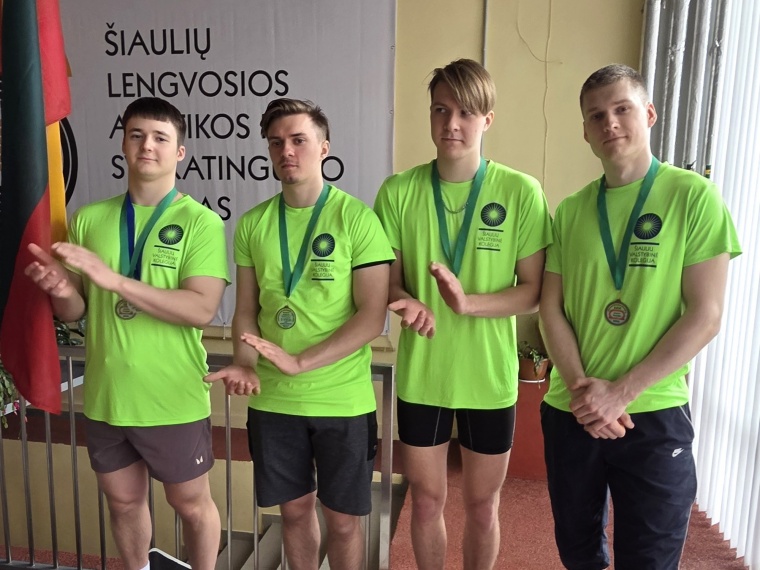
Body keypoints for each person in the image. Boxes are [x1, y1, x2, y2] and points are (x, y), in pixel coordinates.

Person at [540, 63, 741, 570]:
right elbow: (551, 308)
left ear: (648, 114)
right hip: (572, 409)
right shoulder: (571, 211)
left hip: (651, 411)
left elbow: (706, 314)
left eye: (622, 109)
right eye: (596, 115)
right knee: (577, 553)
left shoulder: (693, 196)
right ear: (585, 132)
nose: (610, 123)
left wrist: (619, 393)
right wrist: (586, 392)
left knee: (649, 560)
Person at [24, 97, 228, 570]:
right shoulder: (90, 219)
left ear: (180, 152)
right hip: (108, 395)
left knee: (191, 505)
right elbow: (77, 311)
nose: (147, 146)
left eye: (160, 138)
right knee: (122, 503)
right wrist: (60, 290)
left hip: (171, 395)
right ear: (123, 144)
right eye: (137, 135)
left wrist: (113, 280)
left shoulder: (200, 222)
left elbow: (200, 309)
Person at [373, 59, 552, 569]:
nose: (451, 123)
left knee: (482, 505)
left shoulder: (520, 192)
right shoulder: (398, 191)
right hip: (423, 376)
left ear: (487, 119)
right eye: (440, 110)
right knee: (427, 501)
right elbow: (387, 281)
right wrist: (404, 299)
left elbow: (534, 291)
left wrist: (468, 303)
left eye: (466, 112)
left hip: (488, 377)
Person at [205, 98, 394, 570]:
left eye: (298, 140)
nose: (286, 151)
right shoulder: (253, 223)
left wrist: (301, 361)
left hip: (341, 400)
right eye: (276, 143)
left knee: (344, 522)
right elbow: (246, 310)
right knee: (293, 513)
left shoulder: (357, 219)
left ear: (324, 148)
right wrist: (245, 362)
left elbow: (372, 316)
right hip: (274, 402)